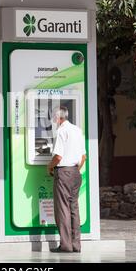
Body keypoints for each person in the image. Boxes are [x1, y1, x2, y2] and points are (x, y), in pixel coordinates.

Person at [47, 106, 86, 253]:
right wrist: (75, 169)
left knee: (63, 209)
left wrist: (49, 167)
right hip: (76, 172)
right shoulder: (77, 130)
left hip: (64, 172)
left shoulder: (61, 131)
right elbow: (83, 157)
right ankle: (76, 245)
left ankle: (65, 245)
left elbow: (58, 156)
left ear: (58, 118)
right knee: (74, 208)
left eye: (53, 118)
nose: (53, 121)